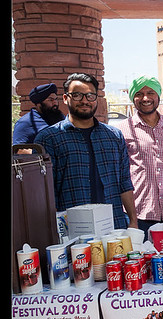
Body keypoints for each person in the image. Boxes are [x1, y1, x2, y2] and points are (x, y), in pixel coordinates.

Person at [35, 72, 137, 230]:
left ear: (96, 99)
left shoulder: (113, 136)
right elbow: (46, 194)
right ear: (65, 98)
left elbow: (124, 183)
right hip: (73, 233)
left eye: (90, 95)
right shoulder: (49, 139)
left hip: (114, 227)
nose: (84, 101)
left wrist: (133, 221)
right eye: (77, 95)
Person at [117, 76, 163, 238]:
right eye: (139, 93)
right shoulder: (122, 130)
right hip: (139, 213)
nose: (145, 98)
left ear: (158, 96)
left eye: (150, 92)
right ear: (133, 98)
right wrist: (131, 219)